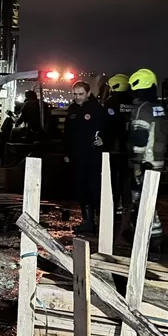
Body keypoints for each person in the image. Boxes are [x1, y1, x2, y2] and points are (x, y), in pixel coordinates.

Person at [127, 68, 167, 243]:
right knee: (150, 198)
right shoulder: (159, 108)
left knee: (141, 199)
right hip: (158, 160)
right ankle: (154, 235)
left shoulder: (142, 108)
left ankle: (147, 237)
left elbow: (140, 138)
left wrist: (136, 165)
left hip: (145, 162)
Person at [63, 80, 105, 235]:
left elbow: (109, 128)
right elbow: (67, 134)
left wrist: (103, 140)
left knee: (93, 187)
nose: (77, 97)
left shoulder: (97, 109)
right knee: (80, 187)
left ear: (88, 93)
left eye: (80, 94)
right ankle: (87, 221)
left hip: (93, 155)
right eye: (75, 94)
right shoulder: (72, 110)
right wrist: (66, 152)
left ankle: (99, 219)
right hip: (76, 155)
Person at [103, 73, 134, 215]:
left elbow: (106, 125)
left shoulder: (111, 102)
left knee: (113, 178)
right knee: (127, 178)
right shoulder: (133, 101)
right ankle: (128, 204)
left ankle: (115, 205)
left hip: (114, 147)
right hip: (130, 147)